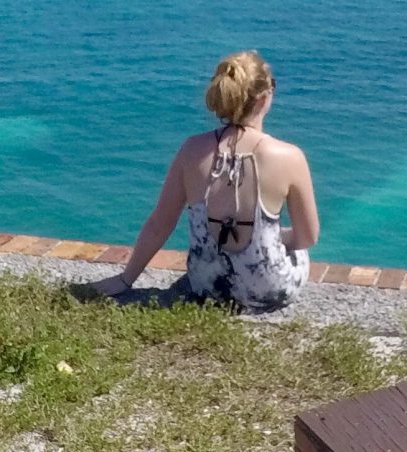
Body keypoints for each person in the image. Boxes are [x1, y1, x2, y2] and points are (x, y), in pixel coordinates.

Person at [86, 50, 319, 310]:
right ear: (265, 98)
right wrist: (273, 237)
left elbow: (159, 225)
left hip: (206, 287)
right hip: (267, 290)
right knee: (298, 251)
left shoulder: (192, 150)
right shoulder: (289, 156)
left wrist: (126, 279)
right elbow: (307, 237)